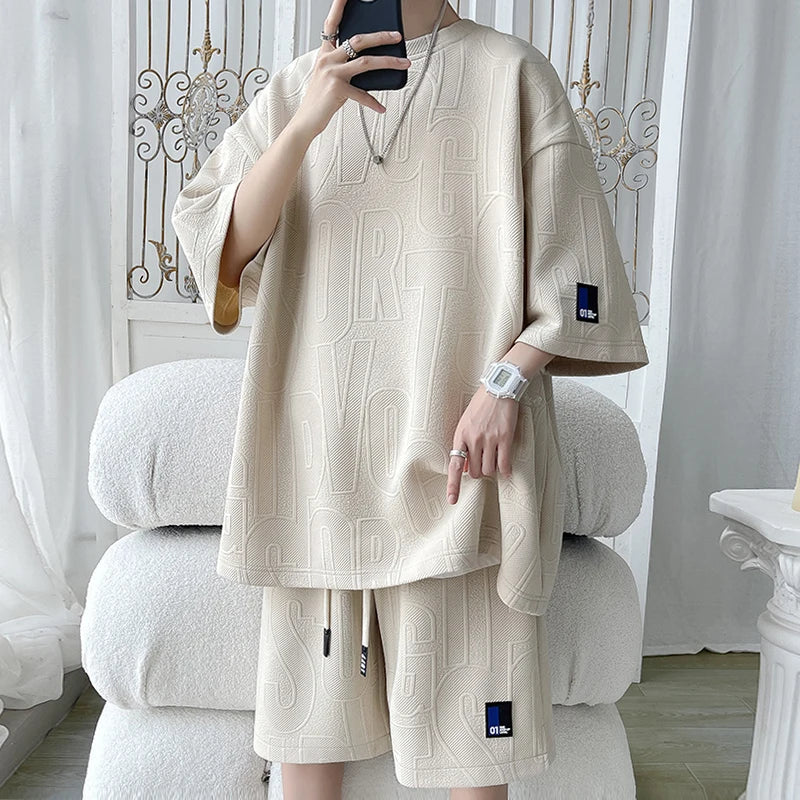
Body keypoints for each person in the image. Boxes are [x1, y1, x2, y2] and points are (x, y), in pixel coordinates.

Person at [171, 0, 648, 797]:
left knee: (474, 748)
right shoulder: (299, 86)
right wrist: (306, 123)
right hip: (320, 466)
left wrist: (507, 382)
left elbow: (578, 272)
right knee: (306, 740)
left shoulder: (512, 76)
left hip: (459, 469)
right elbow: (219, 245)